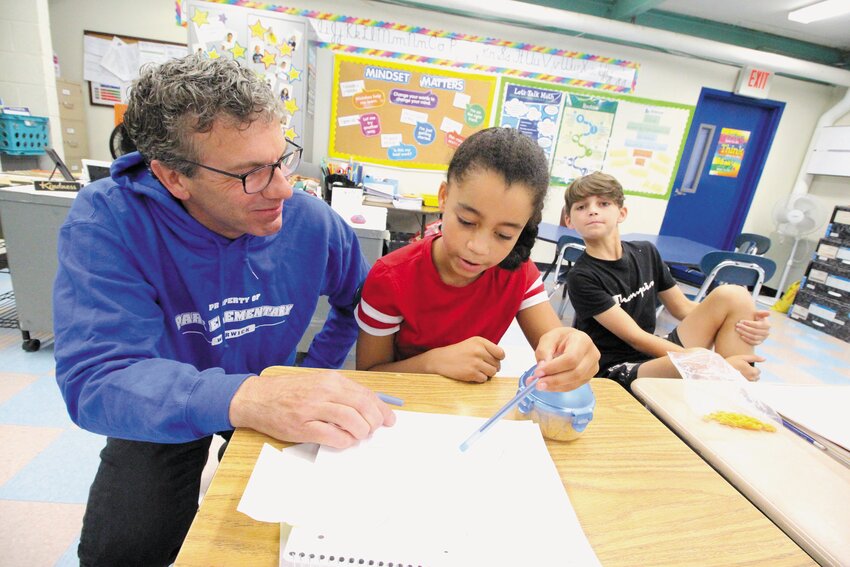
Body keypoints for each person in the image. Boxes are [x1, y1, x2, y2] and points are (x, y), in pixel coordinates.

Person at [53, 55, 395, 566]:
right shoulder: (108, 222)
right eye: (248, 175)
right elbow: (96, 380)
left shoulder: (313, 223)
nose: (282, 188)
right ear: (173, 177)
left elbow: (359, 305)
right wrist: (244, 396)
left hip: (268, 384)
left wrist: (311, 372)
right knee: (121, 550)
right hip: (163, 399)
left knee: (303, 534)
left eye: (282, 159)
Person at [355, 127, 600, 391]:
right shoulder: (391, 278)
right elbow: (368, 375)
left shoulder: (517, 273)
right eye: (467, 221)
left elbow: (556, 342)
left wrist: (574, 349)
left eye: (504, 234)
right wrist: (433, 363)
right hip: (401, 407)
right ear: (444, 197)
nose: (478, 247)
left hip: (471, 411)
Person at [562, 171, 771, 389]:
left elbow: (683, 308)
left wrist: (750, 324)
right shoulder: (582, 276)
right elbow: (636, 337)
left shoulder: (646, 252)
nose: (593, 210)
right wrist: (712, 364)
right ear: (570, 220)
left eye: (603, 203)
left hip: (653, 354)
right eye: (581, 207)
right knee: (699, 362)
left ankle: (737, 395)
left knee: (734, 296)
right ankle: (729, 381)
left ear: (621, 213)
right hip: (615, 368)